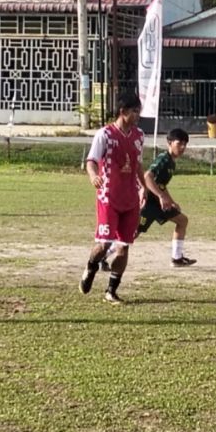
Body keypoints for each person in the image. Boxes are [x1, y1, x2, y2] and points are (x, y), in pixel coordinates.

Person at [79, 93, 146, 304]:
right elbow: (91, 161)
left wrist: (143, 187)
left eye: (139, 111)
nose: (138, 115)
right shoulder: (105, 135)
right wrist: (93, 176)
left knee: (123, 247)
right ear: (123, 112)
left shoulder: (139, 135)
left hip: (130, 199)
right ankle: (91, 267)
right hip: (109, 197)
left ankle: (111, 290)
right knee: (104, 243)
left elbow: (138, 164)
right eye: (134, 111)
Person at [101, 128, 197, 271]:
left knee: (182, 220)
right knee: (132, 234)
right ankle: (102, 256)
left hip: (159, 204)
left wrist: (170, 201)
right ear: (169, 143)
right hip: (149, 204)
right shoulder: (164, 159)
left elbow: (161, 185)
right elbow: (147, 176)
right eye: (179, 143)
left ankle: (177, 258)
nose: (182, 147)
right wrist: (160, 196)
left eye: (185, 144)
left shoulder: (171, 162)